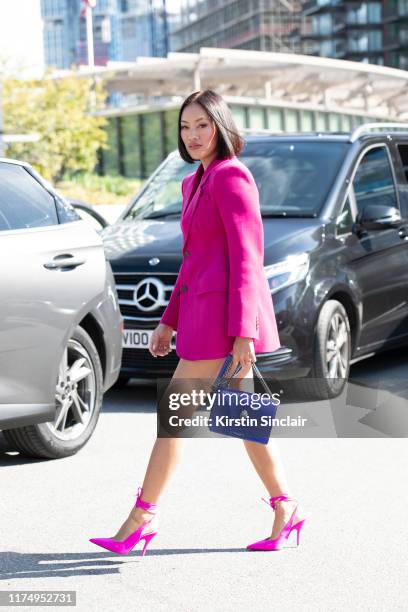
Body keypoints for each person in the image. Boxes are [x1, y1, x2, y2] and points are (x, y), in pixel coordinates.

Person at [89, 90, 306, 556]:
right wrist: (167, 321)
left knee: (173, 416)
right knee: (244, 420)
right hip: (202, 317)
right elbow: (192, 261)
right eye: (186, 127)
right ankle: (286, 508)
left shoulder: (232, 178)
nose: (193, 135)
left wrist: (244, 333)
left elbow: (248, 258)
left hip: (225, 323)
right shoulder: (193, 183)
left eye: (202, 126)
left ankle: (139, 519)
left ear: (221, 127)